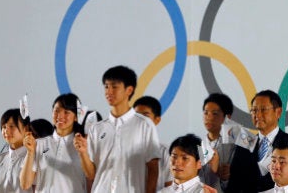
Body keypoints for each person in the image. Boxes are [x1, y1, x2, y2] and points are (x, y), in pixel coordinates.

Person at [74, 65, 162, 193]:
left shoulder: (145, 125)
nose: (109, 91)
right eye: (106, 86)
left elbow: (153, 168)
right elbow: (91, 174)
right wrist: (82, 152)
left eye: (114, 87)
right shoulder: (96, 128)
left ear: (129, 90)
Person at [19, 93, 88, 192]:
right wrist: (30, 152)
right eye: (56, 111)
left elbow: (91, 178)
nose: (60, 116)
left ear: (76, 116)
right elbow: (25, 184)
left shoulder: (83, 144)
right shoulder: (39, 144)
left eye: (66, 112)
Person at [200, 93, 258, 192]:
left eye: (215, 113)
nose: (209, 117)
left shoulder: (240, 136)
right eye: (206, 113)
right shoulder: (201, 145)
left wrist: (228, 176)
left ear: (227, 117)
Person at [250, 90, 288, 192]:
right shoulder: (243, 145)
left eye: (263, 110)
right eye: (254, 110)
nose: (257, 115)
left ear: (278, 112)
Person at [133, 95, 173, 191]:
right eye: (136, 116)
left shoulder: (166, 153)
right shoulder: (123, 148)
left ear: (157, 120)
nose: (140, 120)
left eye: (146, 116)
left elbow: (170, 187)